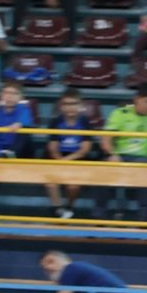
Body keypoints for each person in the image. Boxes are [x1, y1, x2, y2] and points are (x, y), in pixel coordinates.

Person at [101, 84, 147, 221]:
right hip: (120, 155)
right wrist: (112, 154)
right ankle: (99, 217)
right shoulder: (120, 113)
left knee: (145, 174)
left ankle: (143, 221)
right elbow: (106, 139)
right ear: (137, 99)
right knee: (102, 172)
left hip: (144, 157)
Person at [44, 91, 95, 219]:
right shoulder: (55, 122)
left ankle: (69, 207)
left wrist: (67, 160)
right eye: (66, 104)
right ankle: (57, 210)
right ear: (61, 107)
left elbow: (85, 149)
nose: (70, 107)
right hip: (58, 157)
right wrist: (59, 160)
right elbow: (53, 147)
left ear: (80, 105)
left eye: (73, 104)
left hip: (77, 158)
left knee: (73, 186)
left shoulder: (85, 122)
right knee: (50, 183)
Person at [0, 80, 33, 158]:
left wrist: (19, 123)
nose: (9, 96)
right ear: (1, 95)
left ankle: (11, 154)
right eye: (6, 93)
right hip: (1, 151)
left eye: (14, 93)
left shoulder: (24, 110)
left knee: (25, 131)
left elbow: (26, 118)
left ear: (21, 97)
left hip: (20, 152)